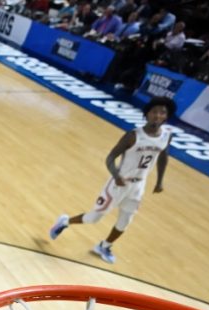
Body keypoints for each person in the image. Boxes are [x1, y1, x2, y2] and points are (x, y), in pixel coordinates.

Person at [49, 97, 174, 265]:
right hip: (118, 184)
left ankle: (104, 246)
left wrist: (160, 181)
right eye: (154, 111)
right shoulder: (133, 136)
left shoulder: (166, 136)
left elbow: (163, 157)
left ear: (166, 116)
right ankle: (65, 221)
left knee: (125, 221)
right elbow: (110, 158)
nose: (158, 115)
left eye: (162, 112)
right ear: (147, 114)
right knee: (94, 218)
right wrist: (116, 175)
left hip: (138, 185)